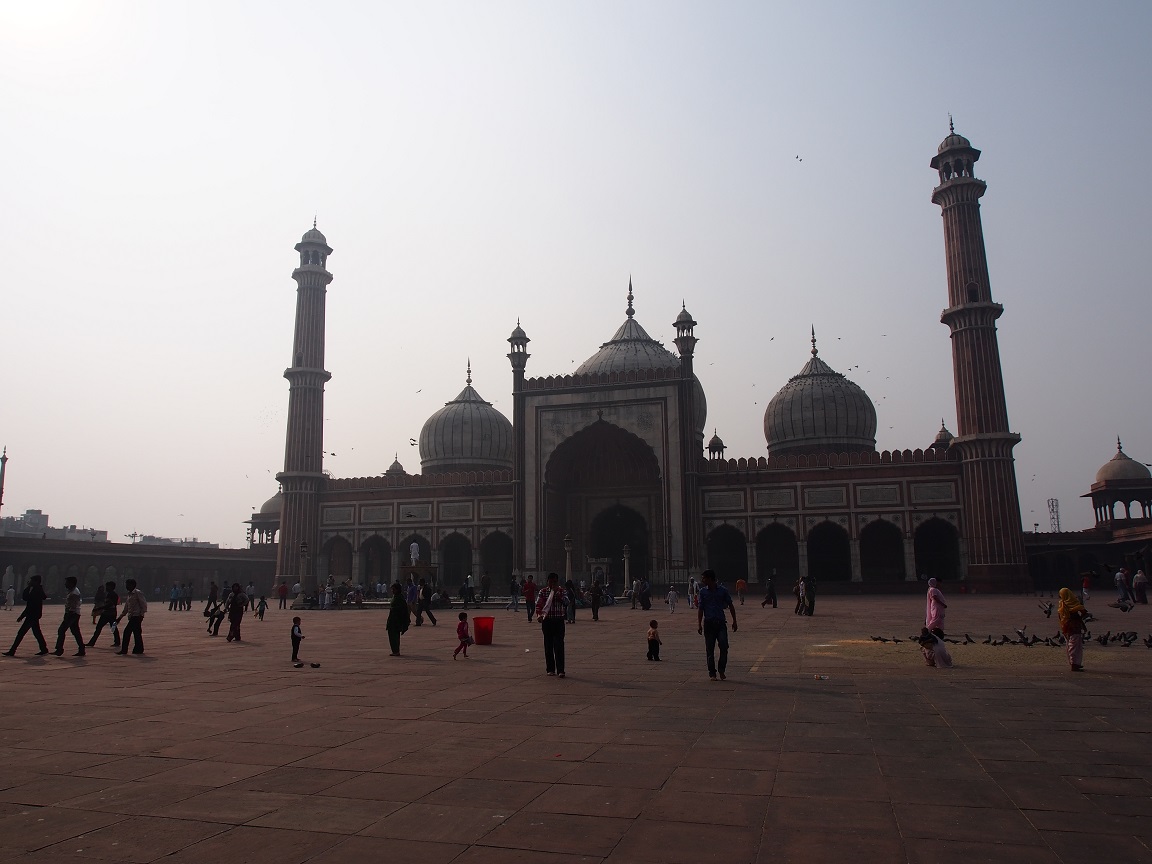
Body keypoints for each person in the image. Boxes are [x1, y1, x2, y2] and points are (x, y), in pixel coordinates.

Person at [697, 569, 737, 681]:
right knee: (710, 649)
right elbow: (701, 608)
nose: (702, 580)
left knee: (724, 646)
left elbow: (730, 605)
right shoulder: (703, 592)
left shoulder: (722, 591)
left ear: (710, 578)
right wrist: (699, 624)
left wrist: (734, 620)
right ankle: (712, 673)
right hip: (709, 623)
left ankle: (721, 669)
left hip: (720, 623)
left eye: (704, 578)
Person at [4, 575, 49, 656]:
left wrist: (22, 616)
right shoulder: (38, 589)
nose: (30, 582)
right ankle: (44, 648)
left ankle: (12, 650)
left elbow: (27, 600)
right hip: (34, 614)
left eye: (32, 581)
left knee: (21, 633)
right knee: (37, 632)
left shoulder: (36, 591)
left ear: (36, 581)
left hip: (32, 615)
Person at [536, 573, 567, 677]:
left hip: (558, 620)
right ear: (547, 581)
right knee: (548, 645)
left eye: (554, 582)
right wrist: (539, 615)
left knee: (559, 645)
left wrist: (557, 594)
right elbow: (539, 604)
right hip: (547, 621)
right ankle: (550, 669)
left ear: (557, 582)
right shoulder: (543, 592)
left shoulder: (562, 591)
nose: (552, 584)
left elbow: (567, 602)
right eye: (551, 582)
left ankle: (561, 670)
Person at [1057, 587, 1089, 672]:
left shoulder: (1061, 604)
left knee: (1070, 645)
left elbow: (1060, 617)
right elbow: (1085, 613)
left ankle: (1074, 663)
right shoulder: (1074, 602)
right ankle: (1075, 664)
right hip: (1074, 626)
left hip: (1066, 627)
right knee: (1075, 645)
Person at [54, 576, 86, 656]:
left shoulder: (74, 593)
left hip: (72, 614)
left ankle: (59, 649)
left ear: (71, 583)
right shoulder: (73, 591)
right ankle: (82, 649)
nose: (65, 584)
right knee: (75, 632)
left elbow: (74, 606)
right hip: (74, 613)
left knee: (61, 630)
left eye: (67, 582)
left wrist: (68, 615)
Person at [116, 579, 147, 655]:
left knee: (127, 632)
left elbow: (143, 604)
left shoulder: (138, 593)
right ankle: (139, 649)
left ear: (133, 585)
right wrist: (120, 617)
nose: (126, 586)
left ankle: (124, 650)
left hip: (136, 616)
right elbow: (126, 608)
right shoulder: (129, 594)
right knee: (137, 633)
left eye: (128, 585)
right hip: (132, 616)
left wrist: (141, 615)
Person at [88, 581, 120, 648]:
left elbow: (111, 604)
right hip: (106, 613)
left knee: (112, 627)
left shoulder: (113, 595)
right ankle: (92, 642)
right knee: (99, 627)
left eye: (107, 586)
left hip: (111, 614)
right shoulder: (108, 594)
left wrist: (99, 608)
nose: (106, 588)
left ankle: (117, 641)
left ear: (112, 587)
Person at [386, 582, 410, 655]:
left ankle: (396, 651)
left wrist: (394, 609)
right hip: (393, 619)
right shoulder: (396, 597)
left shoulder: (399, 598)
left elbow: (403, 609)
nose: (392, 591)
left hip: (396, 620)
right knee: (393, 635)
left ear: (397, 590)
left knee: (394, 636)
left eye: (393, 589)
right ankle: (395, 650)